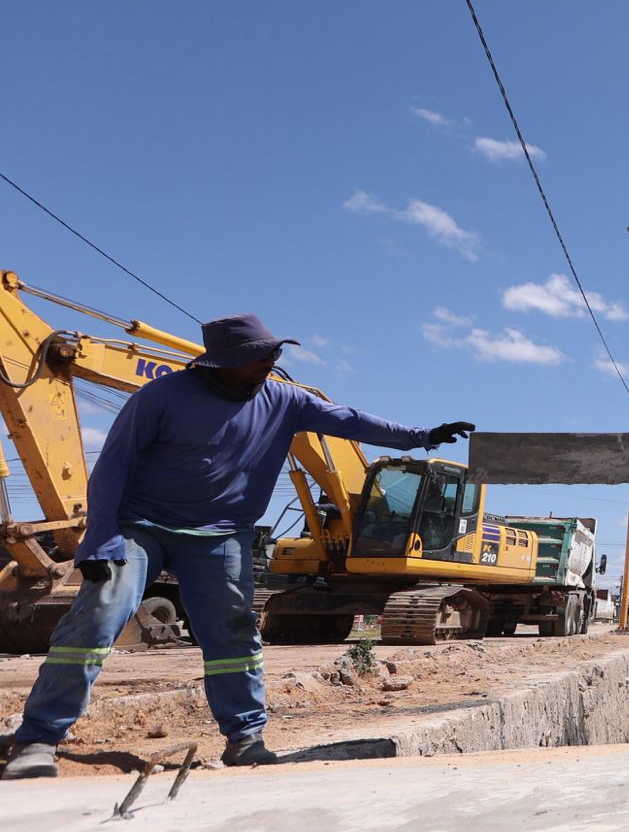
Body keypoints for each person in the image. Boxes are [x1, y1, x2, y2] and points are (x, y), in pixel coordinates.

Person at [2, 313, 473, 780]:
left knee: (232, 632)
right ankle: (40, 736)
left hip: (221, 532)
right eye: (259, 358)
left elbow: (348, 421)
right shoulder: (161, 396)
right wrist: (101, 537)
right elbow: (112, 466)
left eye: (273, 355)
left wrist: (421, 437)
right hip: (142, 525)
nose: (270, 364)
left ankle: (245, 740)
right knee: (102, 612)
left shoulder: (284, 399)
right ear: (223, 362)